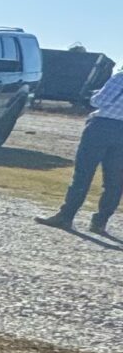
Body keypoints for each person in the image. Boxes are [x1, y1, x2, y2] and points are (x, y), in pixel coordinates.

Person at [41, 66, 123, 235]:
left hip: (103, 126)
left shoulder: (120, 77)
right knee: (115, 180)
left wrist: (94, 95)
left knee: (83, 173)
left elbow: (100, 100)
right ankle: (100, 222)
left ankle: (66, 216)